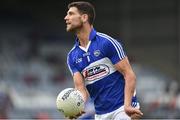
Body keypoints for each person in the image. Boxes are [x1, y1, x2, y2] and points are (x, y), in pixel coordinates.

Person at [64, 1, 143, 119]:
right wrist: (77, 106)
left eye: (70, 14)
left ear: (84, 17)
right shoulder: (72, 56)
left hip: (122, 109)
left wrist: (127, 105)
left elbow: (129, 75)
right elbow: (81, 89)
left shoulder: (107, 42)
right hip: (100, 114)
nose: (66, 18)